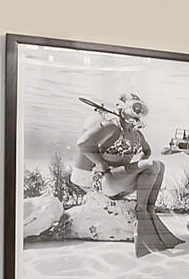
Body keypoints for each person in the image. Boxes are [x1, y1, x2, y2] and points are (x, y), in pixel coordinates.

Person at [74, 93, 182, 257]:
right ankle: (140, 211)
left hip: (119, 181)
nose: (138, 111)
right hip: (105, 181)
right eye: (135, 106)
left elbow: (147, 151)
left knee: (159, 166)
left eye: (140, 107)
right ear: (120, 107)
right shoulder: (111, 126)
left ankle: (148, 210)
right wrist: (101, 163)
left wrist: (136, 171)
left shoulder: (136, 133)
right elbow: (82, 143)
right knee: (151, 165)